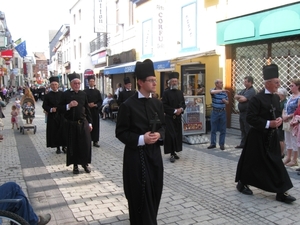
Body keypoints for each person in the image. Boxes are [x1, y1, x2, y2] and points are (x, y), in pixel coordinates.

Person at [235, 64, 296, 204]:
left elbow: (274, 114)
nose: (279, 85)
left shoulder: (275, 98)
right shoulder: (257, 99)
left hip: (271, 138)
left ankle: (281, 192)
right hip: (257, 137)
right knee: (252, 162)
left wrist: (278, 120)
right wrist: (269, 123)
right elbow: (250, 118)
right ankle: (242, 183)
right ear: (268, 83)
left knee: (276, 163)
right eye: (276, 82)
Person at [115, 59, 165, 225]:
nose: (155, 83)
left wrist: (159, 135)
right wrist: (141, 139)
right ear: (141, 82)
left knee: (155, 192)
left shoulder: (157, 104)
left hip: (154, 157)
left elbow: (164, 127)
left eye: (155, 80)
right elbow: (120, 132)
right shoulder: (127, 106)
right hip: (136, 158)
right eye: (151, 80)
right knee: (139, 197)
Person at [58, 72, 93, 174]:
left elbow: (87, 109)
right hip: (71, 124)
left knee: (85, 144)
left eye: (78, 83)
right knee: (74, 146)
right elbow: (60, 108)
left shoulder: (83, 94)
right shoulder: (65, 94)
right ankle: (75, 165)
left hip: (83, 123)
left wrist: (90, 123)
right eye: (75, 83)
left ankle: (85, 163)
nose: (77, 85)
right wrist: (68, 106)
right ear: (71, 84)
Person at [161, 72, 186, 162]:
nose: (174, 83)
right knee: (171, 136)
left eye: (176, 81)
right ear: (170, 82)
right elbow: (164, 105)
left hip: (178, 118)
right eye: (173, 81)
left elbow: (183, 104)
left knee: (177, 135)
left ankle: (175, 152)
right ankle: (171, 153)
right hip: (169, 118)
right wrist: (175, 111)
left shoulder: (180, 92)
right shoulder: (166, 93)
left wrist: (181, 109)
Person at [42, 77, 67, 154]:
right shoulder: (47, 95)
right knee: (55, 132)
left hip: (62, 116)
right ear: (50, 86)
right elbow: (44, 105)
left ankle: (64, 147)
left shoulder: (63, 94)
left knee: (63, 131)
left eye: (55, 84)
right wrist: (50, 109)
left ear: (58, 85)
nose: (54, 86)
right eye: (52, 85)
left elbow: (66, 104)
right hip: (52, 117)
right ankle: (57, 147)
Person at [234, 76, 256, 148]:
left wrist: (239, 98)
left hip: (247, 113)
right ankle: (243, 143)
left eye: (245, 81)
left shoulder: (252, 91)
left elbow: (243, 99)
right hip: (242, 112)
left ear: (250, 82)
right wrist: (240, 97)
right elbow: (235, 96)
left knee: (248, 129)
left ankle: (250, 144)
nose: (244, 82)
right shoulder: (244, 90)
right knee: (242, 128)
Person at [282, 78, 300, 167]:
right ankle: (288, 156)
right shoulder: (290, 97)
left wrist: (289, 116)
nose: (290, 87)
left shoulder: (299, 97)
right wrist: (283, 115)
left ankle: (294, 159)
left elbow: (298, 111)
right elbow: (285, 107)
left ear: (298, 86)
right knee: (287, 139)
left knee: (294, 140)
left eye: (292, 85)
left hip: (294, 121)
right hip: (287, 120)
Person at [207, 79, 229, 150]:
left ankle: (221, 144)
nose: (222, 84)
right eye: (221, 83)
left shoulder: (224, 93)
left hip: (222, 112)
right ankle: (213, 143)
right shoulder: (213, 91)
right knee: (213, 129)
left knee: (223, 129)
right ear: (216, 84)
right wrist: (222, 90)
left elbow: (227, 102)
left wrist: (225, 101)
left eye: (222, 83)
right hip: (215, 112)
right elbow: (212, 92)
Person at [84, 75, 103, 147]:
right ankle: (87, 140)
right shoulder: (85, 91)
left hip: (95, 111)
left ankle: (95, 141)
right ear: (88, 82)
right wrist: (88, 104)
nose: (91, 83)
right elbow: (83, 101)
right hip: (87, 111)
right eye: (90, 81)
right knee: (87, 125)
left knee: (96, 125)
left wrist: (95, 105)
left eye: (93, 81)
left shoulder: (97, 91)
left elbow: (100, 101)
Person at [277, 87, 288, 157]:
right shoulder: (280, 102)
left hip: (282, 121)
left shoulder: (285, 103)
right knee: (278, 137)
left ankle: (282, 153)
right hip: (278, 120)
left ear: (282, 95)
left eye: (278, 94)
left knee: (281, 138)